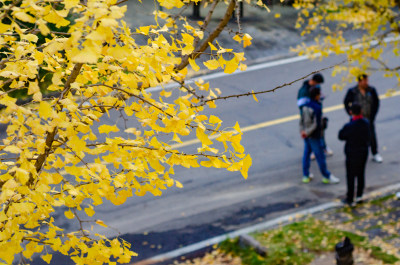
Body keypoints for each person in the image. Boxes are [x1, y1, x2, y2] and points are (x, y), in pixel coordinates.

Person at [299, 86, 340, 184]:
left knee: (306, 154)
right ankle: (326, 176)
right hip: (314, 136)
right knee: (320, 156)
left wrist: (303, 132)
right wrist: (308, 132)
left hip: (306, 135)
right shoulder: (317, 107)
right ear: (317, 95)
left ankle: (306, 175)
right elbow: (315, 124)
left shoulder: (305, 105)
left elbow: (301, 120)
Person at [344, 74, 382, 163]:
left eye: (367, 80)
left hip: (369, 119)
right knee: (356, 137)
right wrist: (350, 114)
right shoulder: (353, 91)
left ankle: (375, 153)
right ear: (359, 82)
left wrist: (373, 115)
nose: (366, 82)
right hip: (357, 119)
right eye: (364, 81)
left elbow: (376, 103)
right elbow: (346, 102)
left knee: (371, 136)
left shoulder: (371, 90)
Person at [338, 103, 370, 206]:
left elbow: (341, 136)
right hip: (363, 151)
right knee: (361, 174)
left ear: (351, 112)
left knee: (351, 176)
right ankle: (359, 195)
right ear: (361, 111)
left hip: (352, 153)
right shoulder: (366, 123)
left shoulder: (349, 126)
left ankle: (350, 198)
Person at [297, 73, 333, 158]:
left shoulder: (316, 87)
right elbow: (301, 106)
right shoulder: (303, 91)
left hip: (317, 113)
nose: (318, 85)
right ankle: (312, 151)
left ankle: (323, 147)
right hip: (308, 116)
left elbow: (319, 97)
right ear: (313, 81)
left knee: (320, 132)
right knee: (310, 133)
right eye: (318, 83)